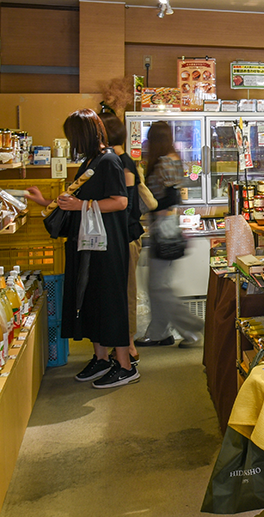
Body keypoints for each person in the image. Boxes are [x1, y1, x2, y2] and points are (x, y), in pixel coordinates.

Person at [25, 109, 136, 388]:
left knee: (110, 301)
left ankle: (125, 365)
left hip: (107, 245)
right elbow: (75, 202)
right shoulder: (90, 162)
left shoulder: (109, 161)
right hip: (88, 243)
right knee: (89, 299)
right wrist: (45, 201)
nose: (71, 142)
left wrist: (81, 205)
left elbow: (120, 202)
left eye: (72, 136)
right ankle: (101, 358)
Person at [137, 121, 204, 348]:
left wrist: (153, 207)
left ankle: (191, 328)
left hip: (163, 227)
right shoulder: (174, 159)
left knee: (158, 286)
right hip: (170, 225)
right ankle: (159, 332)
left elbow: (168, 197)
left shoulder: (163, 162)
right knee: (157, 285)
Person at [99, 110, 144, 365]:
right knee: (119, 293)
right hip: (120, 237)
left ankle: (129, 346)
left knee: (125, 293)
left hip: (125, 237)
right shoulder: (115, 160)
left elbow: (125, 207)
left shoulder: (122, 163)